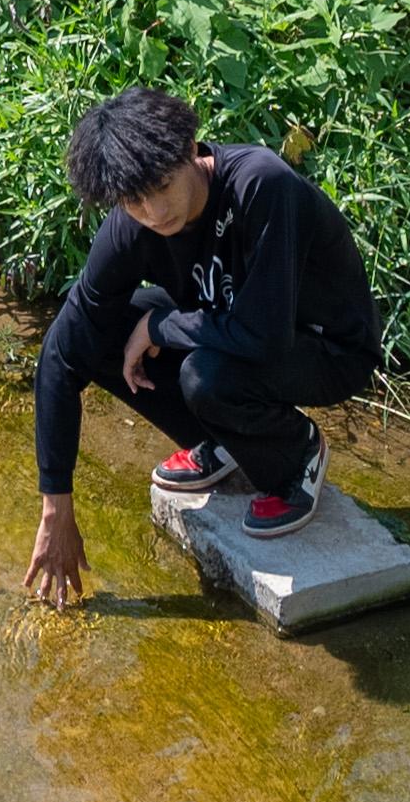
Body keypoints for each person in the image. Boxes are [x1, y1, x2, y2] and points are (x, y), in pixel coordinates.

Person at [19, 87, 385, 607]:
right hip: (239, 330)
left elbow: (263, 334)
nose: (152, 212)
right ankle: (228, 439)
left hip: (327, 347)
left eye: (162, 188)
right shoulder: (133, 223)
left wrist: (161, 327)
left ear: (191, 150)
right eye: (133, 201)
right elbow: (61, 353)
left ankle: (293, 454)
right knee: (96, 336)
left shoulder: (260, 184)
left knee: (205, 375)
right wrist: (55, 505)